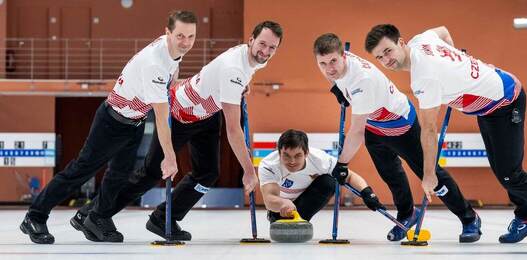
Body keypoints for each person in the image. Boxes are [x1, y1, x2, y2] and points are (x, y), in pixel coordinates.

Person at [364, 24, 527, 246]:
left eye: (388, 51)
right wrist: (457, 59)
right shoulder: (421, 40)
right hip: (488, 106)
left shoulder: (424, 77)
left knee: (511, 175)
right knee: (504, 171)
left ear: (401, 43)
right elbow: (443, 30)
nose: (386, 60)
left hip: (505, 101)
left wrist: (429, 174)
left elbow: (429, 130)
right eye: (379, 57)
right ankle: (526, 218)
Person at [72, 21, 283, 242]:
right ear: (251, 40)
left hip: (207, 113)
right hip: (181, 112)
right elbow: (233, 129)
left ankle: (163, 218)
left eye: (272, 48)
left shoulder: (247, 58)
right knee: (151, 174)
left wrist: (240, 86)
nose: (266, 51)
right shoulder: (235, 69)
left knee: (208, 173)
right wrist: (249, 171)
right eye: (262, 44)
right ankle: (95, 214)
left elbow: (229, 77)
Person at [20, 10, 197, 244]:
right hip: (113, 121)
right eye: (180, 36)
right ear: (167, 33)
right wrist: (170, 156)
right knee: (81, 170)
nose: (185, 43)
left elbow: (171, 83)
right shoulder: (155, 62)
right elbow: (162, 114)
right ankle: (35, 216)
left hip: (134, 121)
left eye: (191, 37)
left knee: (118, 176)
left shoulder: (172, 50)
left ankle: (93, 217)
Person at [313, 33, 480, 242]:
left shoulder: (361, 81)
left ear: (344, 56)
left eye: (334, 61)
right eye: (323, 64)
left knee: (430, 175)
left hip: (400, 123)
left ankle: (469, 218)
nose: (329, 68)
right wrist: (336, 87)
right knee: (391, 175)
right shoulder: (335, 64)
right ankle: (407, 214)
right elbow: (332, 75)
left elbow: (356, 131)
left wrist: (343, 164)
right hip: (374, 124)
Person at [259, 129, 384, 223]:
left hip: (303, 204)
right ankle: (279, 219)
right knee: (277, 207)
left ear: (306, 153)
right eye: (286, 155)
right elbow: (269, 199)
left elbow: (349, 176)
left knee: (330, 181)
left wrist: (367, 192)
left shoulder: (320, 159)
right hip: (279, 209)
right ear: (279, 152)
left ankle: (300, 220)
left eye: (297, 156)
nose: (292, 161)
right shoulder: (269, 165)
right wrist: (283, 203)